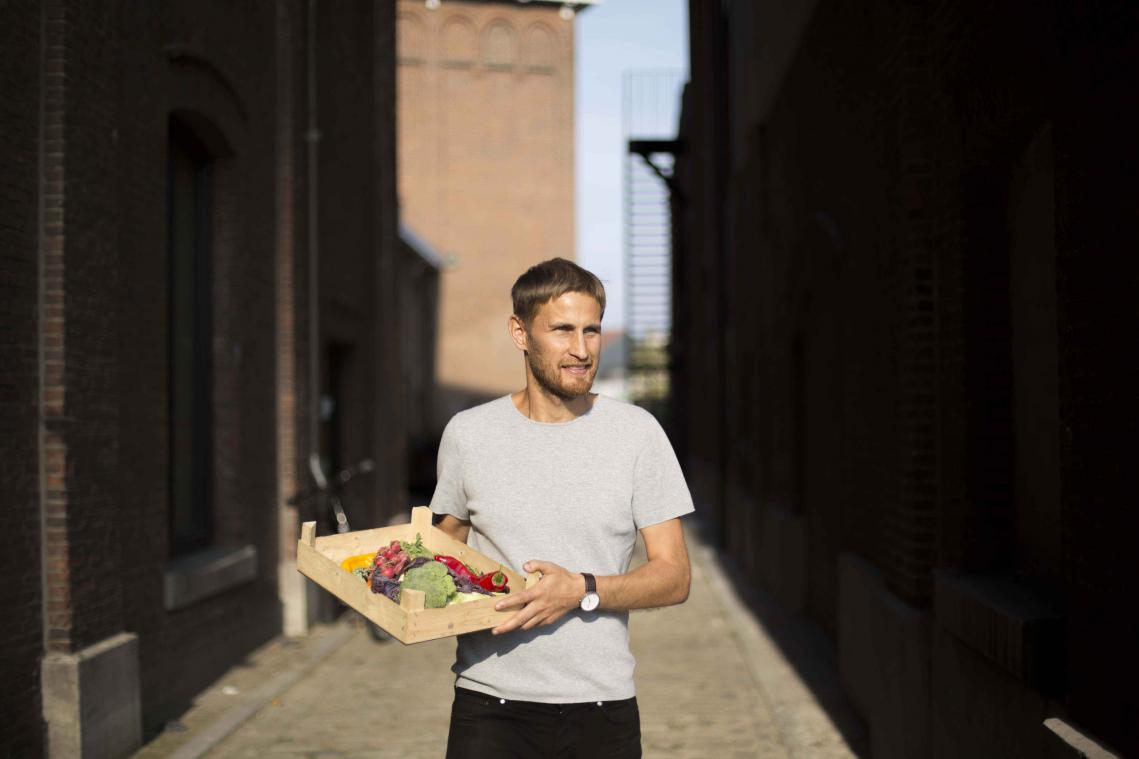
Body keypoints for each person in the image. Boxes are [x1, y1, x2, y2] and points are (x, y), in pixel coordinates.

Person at [431, 257, 694, 758]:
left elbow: (675, 576)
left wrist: (582, 590)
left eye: (591, 331)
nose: (581, 350)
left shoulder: (637, 434)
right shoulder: (468, 434)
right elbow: (443, 554)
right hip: (489, 705)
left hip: (601, 708)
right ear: (520, 332)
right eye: (562, 330)